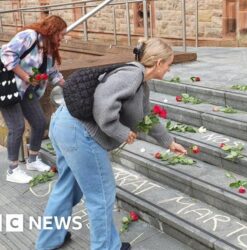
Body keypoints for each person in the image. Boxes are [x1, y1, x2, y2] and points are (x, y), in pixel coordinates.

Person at [36, 38, 187, 250]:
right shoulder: (131, 75)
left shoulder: (140, 82)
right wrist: (121, 132)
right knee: (101, 195)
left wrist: (169, 142)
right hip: (79, 132)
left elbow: (146, 116)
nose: (169, 68)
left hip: (66, 124)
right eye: (169, 64)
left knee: (68, 187)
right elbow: (103, 109)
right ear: (159, 62)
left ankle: (48, 241)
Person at [0, 15, 66, 184]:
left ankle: (33, 160)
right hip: (9, 89)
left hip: (26, 91)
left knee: (39, 122)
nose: (62, 38)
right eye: (61, 34)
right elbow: (6, 53)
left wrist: (70, 86)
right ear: (53, 30)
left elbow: (52, 73)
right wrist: (26, 77)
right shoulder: (29, 36)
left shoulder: (48, 48)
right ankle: (12, 170)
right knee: (17, 127)